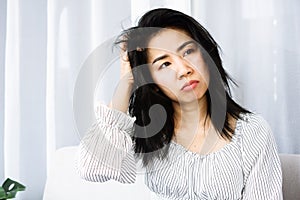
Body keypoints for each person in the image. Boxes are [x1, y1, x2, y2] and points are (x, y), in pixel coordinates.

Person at [77, 8, 282, 199]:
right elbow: (93, 167)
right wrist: (127, 81)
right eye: (165, 64)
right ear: (153, 83)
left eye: (188, 52)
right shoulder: (148, 132)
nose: (184, 69)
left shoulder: (252, 132)